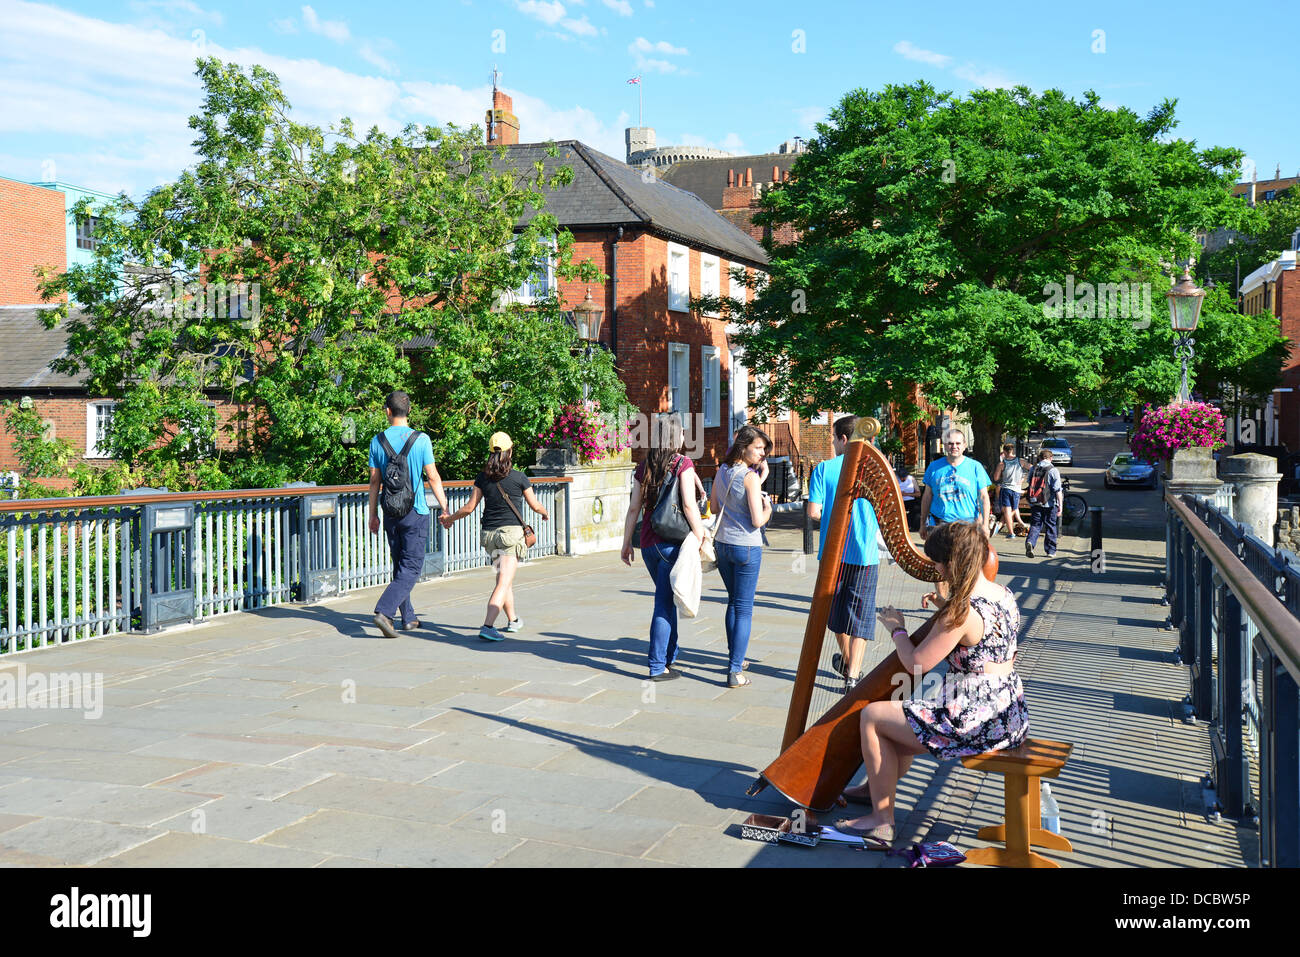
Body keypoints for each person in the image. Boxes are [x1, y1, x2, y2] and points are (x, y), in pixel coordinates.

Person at [836, 521, 1028, 846]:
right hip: (1008, 715)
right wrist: (943, 610)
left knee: (872, 717)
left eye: (937, 562)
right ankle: (873, 791)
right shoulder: (1003, 594)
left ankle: (881, 821)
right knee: (902, 717)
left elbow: (915, 663)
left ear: (952, 563)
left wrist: (897, 628)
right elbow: (984, 639)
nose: (935, 569)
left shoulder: (962, 611)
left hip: (973, 720)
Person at [620, 415, 706, 680]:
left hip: (648, 543)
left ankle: (669, 657)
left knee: (667, 600)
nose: (684, 438)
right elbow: (690, 507)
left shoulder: (644, 466)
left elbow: (634, 507)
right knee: (663, 604)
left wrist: (626, 543)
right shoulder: (683, 463)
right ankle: (658, 666)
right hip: (672, 543)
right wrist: (701, 534)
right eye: (681, 433)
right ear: (675, 436)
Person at [440, 432, 549, 641]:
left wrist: (451, 518)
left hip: (489, 535)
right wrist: (544, 513)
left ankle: (513, 620)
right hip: (510, 535)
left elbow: (470, 507)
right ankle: (488, 626)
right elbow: (535, 505)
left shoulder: (482, 477)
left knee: (503, 579)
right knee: (503, 582)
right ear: (510, 451)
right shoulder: (519, 477)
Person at [807, 415, 883, 693]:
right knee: (861, 616)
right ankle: (852, 676)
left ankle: (849, 661)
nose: (832, 443)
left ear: (842, 439)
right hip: (864, 554)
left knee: (834, 612)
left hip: (833, 555)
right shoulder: (873, 471)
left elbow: (813, 512)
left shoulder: (824, 469)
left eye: (832, 438)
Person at [369, 390, 449, 639]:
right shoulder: (421, 439)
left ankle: (409, 618)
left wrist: (372, 515)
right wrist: (445, 507)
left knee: (400, 565)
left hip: (390, 510)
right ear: (409, 411)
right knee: (412, 566)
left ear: (387, 411)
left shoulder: (377, 441)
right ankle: (384, 611)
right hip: (416, 511)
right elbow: (433, 476)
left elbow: (374, 482)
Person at [710, 424, 774, 688]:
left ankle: (734, 656)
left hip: (723, 545)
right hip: (747, 547)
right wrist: (769, 507)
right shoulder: (748, 477)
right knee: (744, 608)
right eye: (758, 448)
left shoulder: (722, 470)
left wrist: (760, 478)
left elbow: (714, 507)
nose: (762, 453)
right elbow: (758, 521)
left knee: (733, 602)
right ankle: (735, 670)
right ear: (743, 446)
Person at [919, 429, 992, 540]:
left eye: (958, 443)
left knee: (966, 557)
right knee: (940, 557)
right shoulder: (934, 467)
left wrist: (985, 525)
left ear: (964, 445)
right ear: (945, 446)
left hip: (967, 525)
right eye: (950, 443)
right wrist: (922, 524)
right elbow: (927, 496)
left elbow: (983, 497)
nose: (954, 446)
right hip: (940, 524)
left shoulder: (976, 467)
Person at [1024, 448, 1063, 558]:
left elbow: (1029, 483)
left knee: (1036, 525)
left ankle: (1031, 542)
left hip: (1035, 502)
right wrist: (1060, 506)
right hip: (1050, 503)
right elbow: (1057, 490)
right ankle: (1050, 551)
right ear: (1051, 458)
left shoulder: (1034, 469)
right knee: (1050, 526)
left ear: (1040, 457)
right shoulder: (1053, 470)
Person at [992, 443, 1032, 538]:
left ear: (1005, 452)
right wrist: (1024, 478)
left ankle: (1011, 532)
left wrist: (1002, 474)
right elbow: (1032, 468)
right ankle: (1018, 523)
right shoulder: (1021, 461)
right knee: (1014, 509)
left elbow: (996, 478)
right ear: (1012, 450)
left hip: (1006, 489)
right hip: (1016, 490)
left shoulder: (1002, 464)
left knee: (1007, 511)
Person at [896, 465, 919, 531]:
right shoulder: (896, 479)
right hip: (899, 500)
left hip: (910, 500)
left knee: (916, 509)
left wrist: (906, 494)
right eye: (901, 477)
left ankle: (911, 526)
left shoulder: (911, 479)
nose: (902, 479)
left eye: (904, 477)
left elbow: (918, 494)